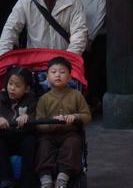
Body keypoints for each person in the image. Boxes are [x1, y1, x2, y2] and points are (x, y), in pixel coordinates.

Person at [34, 55, 92, 188]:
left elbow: (87, 116)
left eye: (62, 72)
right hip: (49, 135)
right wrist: (51, 123)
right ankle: (45, 177)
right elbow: (38, 122)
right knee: (43, 147)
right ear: (47, 77)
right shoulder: (44, 99)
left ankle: (63, 177)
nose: (58, 75)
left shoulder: (76, 95)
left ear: (70, 77)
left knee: (73, 144)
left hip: (69, 133)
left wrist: (76, 117)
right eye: (53, 72)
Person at [0, 66, 37, 188]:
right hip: (4, 137)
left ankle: (27, 181)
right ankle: (7, 180)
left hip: (22, 137)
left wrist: (28, 118)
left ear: (27, 89)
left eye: (17, 86)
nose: (12, 88)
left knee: (31, 141)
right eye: (10, 84)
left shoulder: (31, 99)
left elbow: (37, 116)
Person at [80, 0, 107, 111]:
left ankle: (97, 99)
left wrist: (90, 38)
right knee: (86, 70)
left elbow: (99, 19)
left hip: (98, 39)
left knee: (97, 69)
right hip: (84, 39)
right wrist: (84, 38)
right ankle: (88, 99)